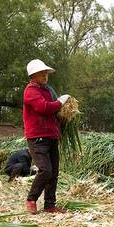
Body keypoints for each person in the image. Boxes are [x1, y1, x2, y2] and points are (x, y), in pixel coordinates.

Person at [22, 59, 71, 214]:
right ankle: (31, 199)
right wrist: (60, 102)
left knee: (54, 173)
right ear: (33, 75)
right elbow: (44, 108)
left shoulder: (48, 90)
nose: (45, 75)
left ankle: (50, 205)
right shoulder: (31, 91)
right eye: (42, 73)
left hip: (51, 135)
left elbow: (54, 112)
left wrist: (66, 114)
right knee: (45, 170)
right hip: (37, 137)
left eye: (45, 73)